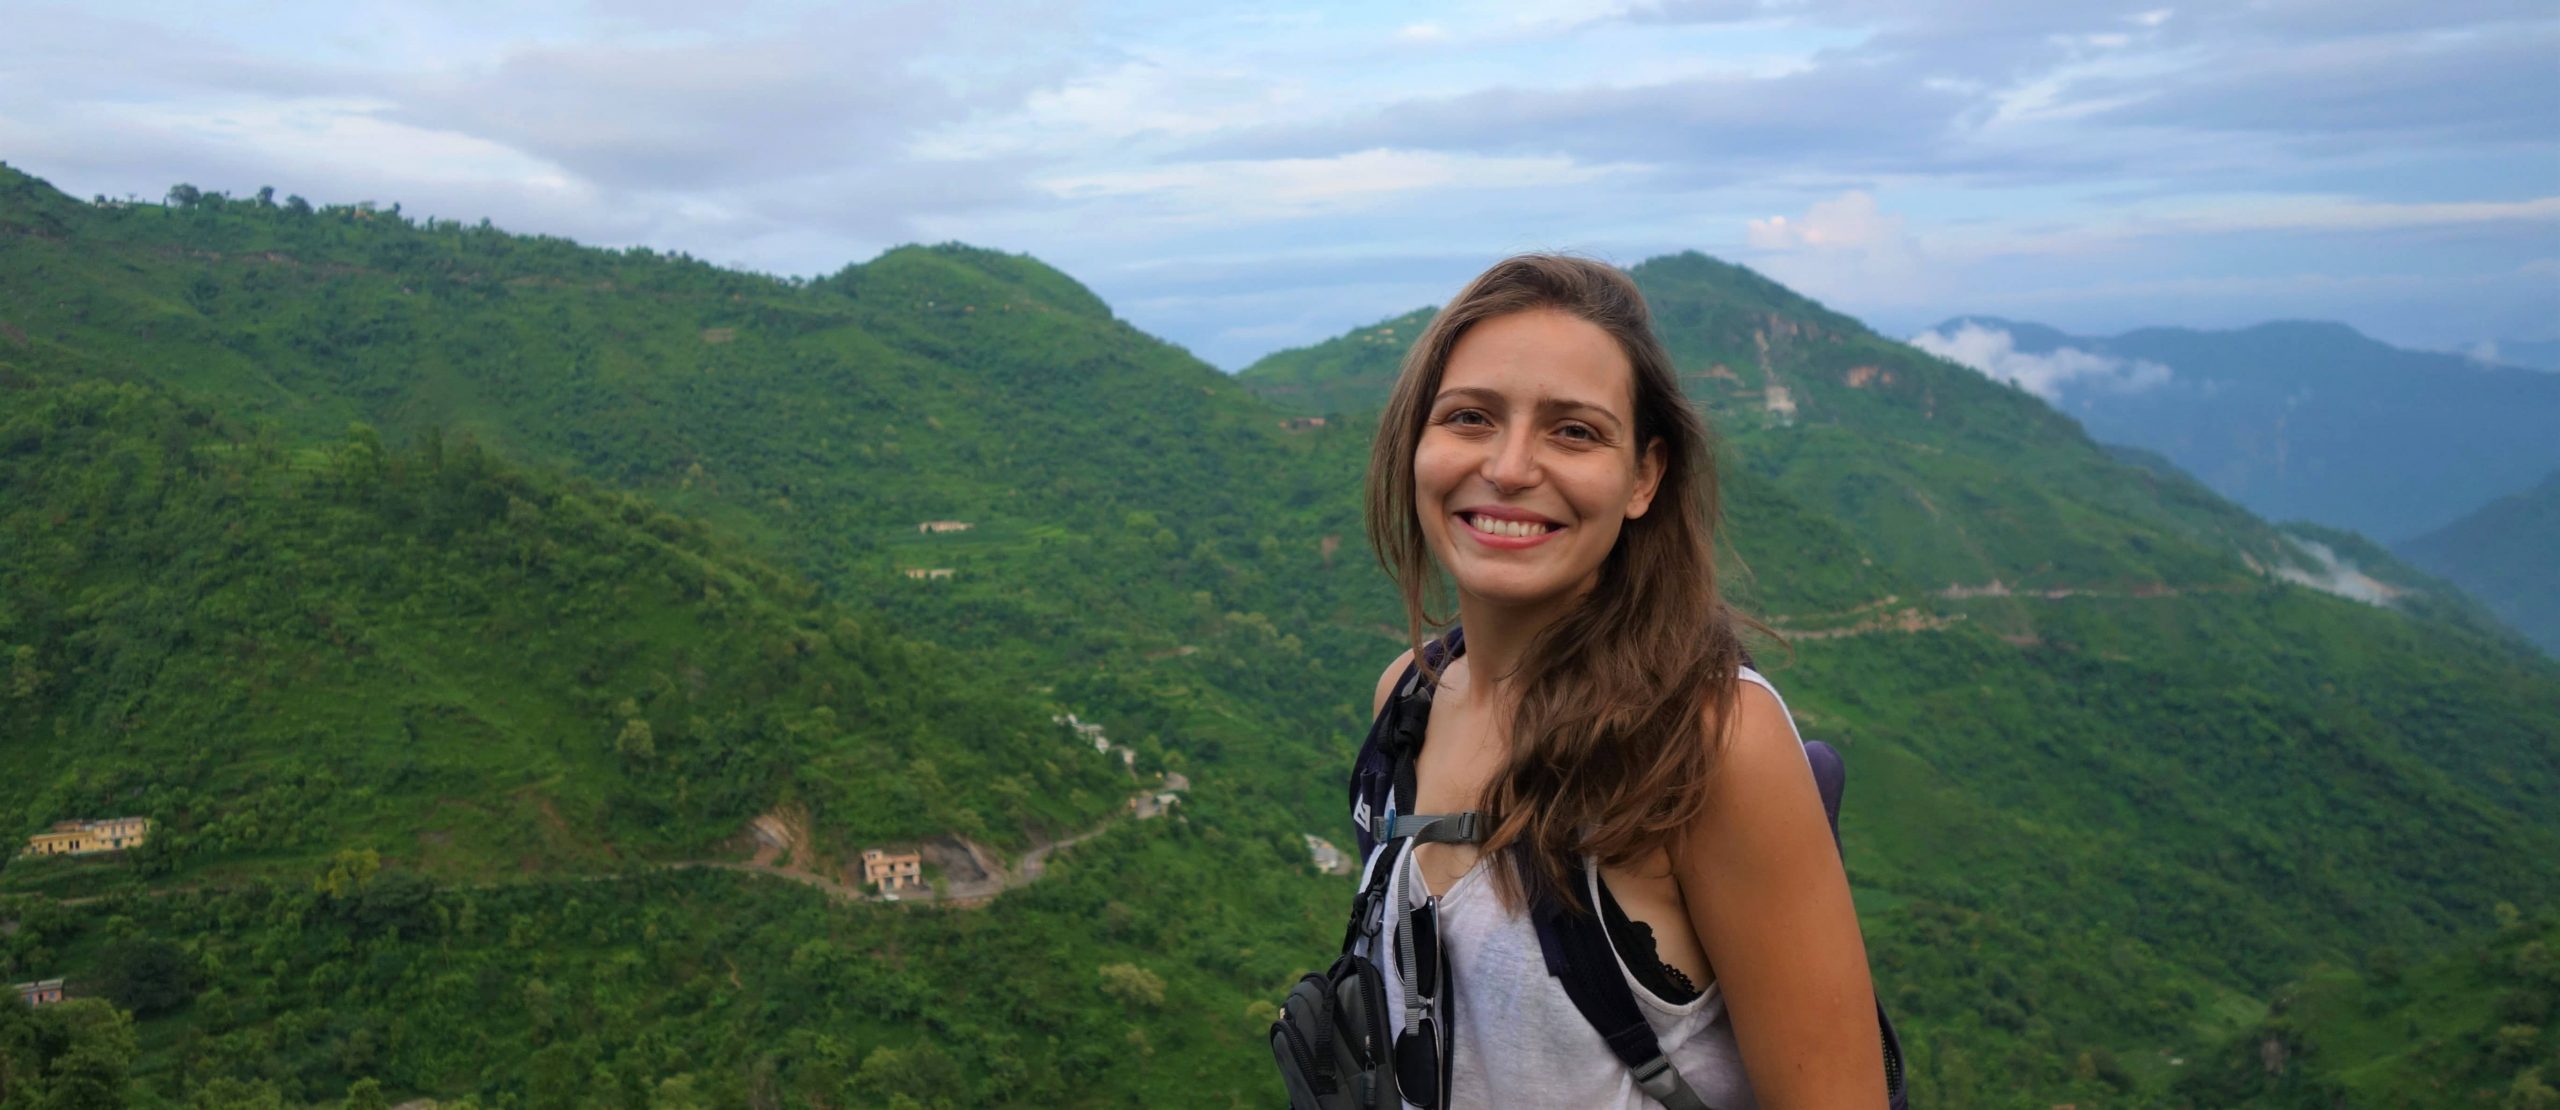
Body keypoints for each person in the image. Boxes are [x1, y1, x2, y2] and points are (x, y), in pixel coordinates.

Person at [1358, 254, 1885, 1107]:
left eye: (1574, 431)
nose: (1511, 466)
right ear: (1416, 443)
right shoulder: (1408, 704)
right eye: (1469, 417)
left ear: (1643, 477)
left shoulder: (1707, 745)